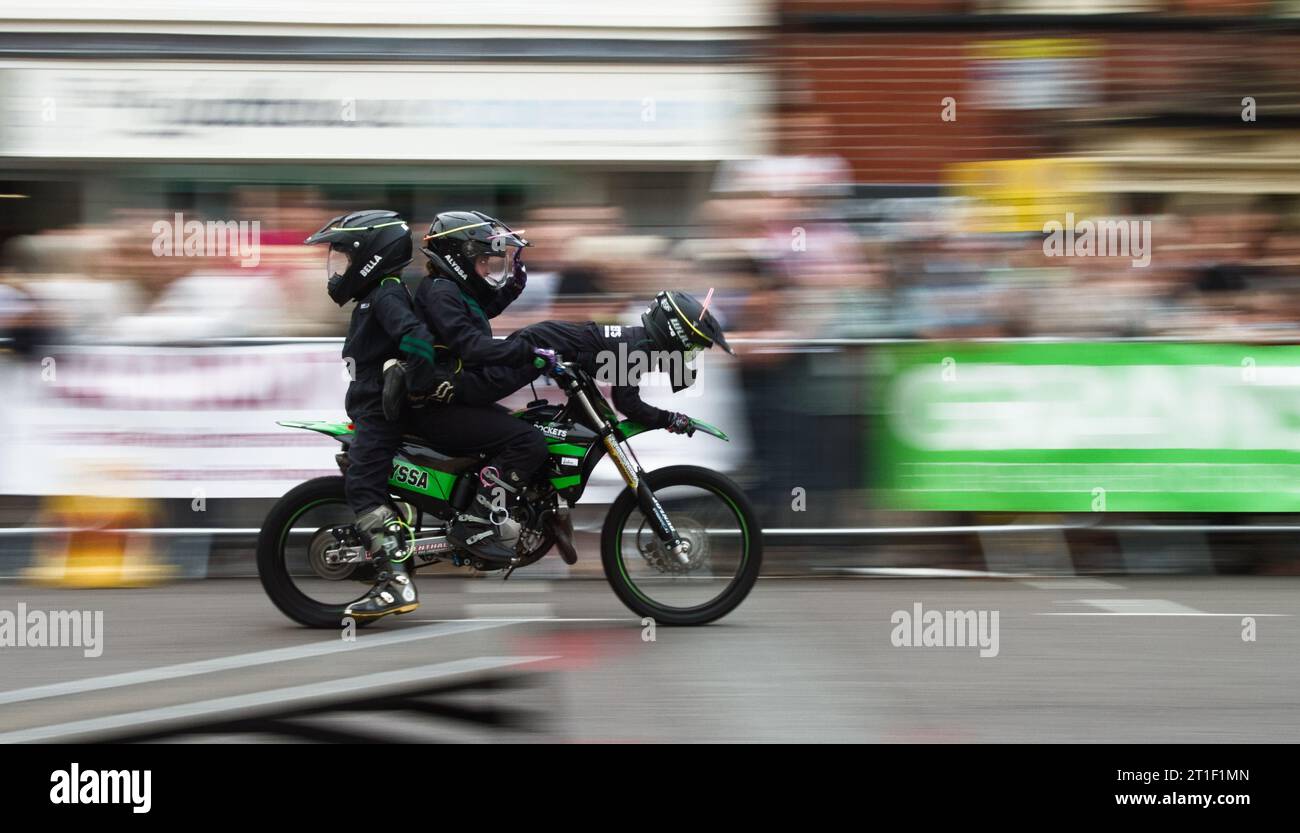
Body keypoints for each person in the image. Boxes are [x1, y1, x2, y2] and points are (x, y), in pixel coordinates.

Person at [303, 209, 445, 620]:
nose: (338, 270)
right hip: (370, 413)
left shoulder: (385, 294)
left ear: (371, 256)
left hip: (380, 418)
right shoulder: (375, 296)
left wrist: (412, 385)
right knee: (365, 482)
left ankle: (395, 585)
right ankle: (391, 553)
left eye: (344, 259)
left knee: (363, 488)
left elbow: (417, 342)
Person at [404, 211, 557, 565]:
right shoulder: (440, 292)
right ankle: (474, 523)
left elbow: (476, 312)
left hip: (452, 401)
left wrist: (513, 288)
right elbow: (471, 344)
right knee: (527, 441)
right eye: (483, 262)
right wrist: (528, 351)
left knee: (532, 428)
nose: (489, 271)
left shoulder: (448, 290)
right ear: (459, 257)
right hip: (438, 407)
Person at [454, 289, 734, 435]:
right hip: (539, 346)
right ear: (676, 336)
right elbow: (627, 404)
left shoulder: (642, 344)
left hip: (544, 340)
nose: (692, 357)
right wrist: (670, 419)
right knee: (478, 392)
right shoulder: (639, 350)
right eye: (694, 347)